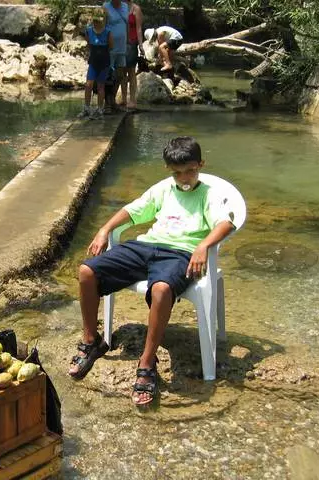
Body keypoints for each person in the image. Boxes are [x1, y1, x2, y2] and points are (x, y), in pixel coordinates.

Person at [67, 136, 235, 407]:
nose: (184, 178)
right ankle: (92, 341)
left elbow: (225, 224)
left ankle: (147, 363)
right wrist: (104, 229)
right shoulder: (164, 189)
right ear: (169, 170)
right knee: (87, 271)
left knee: (161, 288)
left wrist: (203, 245)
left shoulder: (209, 193)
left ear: (200, 164)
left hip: (180, 254)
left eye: (190, 170)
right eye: (177, 172)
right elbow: (132, 210)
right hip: (146, 246)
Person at [79, 12, 113, 119]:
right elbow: (88, 44)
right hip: (93, 62)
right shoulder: (88, 31)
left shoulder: (108, 32)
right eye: (95, 21)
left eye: (98, 21)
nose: (96, 23)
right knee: (88, 84)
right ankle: (86, 108)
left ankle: (99, 109)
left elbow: (111, 46)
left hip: (104, 63)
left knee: (100, 86)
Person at [103, 0, 129, 111]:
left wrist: (127, 42)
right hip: (110, 48)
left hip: (122, 47)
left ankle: (112, 100)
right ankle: (107, 103)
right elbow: (101, 26)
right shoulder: (105, 6)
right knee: (108, 76)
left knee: (120, 75)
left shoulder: (125, 6)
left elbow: (126, 25)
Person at [124, 0, 144, 109]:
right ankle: (123, 99)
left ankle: (132, 100)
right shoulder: (119, 8)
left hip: (132, 43)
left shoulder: (136, 9)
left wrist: (141, 45)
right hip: (120, 43)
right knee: (121, 71)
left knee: (131, 71)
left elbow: (139, 28)